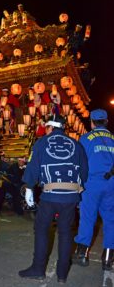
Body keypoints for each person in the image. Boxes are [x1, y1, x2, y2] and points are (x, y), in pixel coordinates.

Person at [18, 114, 88, 283]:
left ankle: (38, 269)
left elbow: (33, 167)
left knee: (42, 229)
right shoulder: (77, 145)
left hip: (49, 195)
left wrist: (29, 188)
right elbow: (84, 174)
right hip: (71, 197)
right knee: (65, 233)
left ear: (50, 128)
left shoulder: (42, 142)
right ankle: (62, 275)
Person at [73, 109, 114, 270]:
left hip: (91, 183)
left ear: (91, 122)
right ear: (106, 121)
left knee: (88, 217)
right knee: (110, 220)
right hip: (111, 183)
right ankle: (108, 258)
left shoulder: (86, 139)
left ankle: (82, 254)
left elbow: (79, 163)